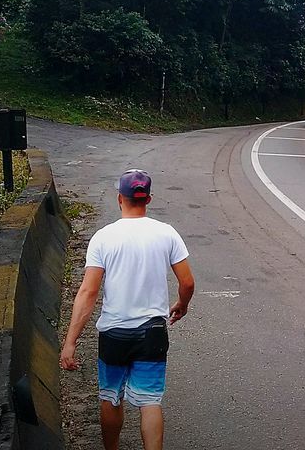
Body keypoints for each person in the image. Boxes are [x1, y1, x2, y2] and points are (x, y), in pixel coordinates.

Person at [60, 169, 195, 450]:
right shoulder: (166, 233)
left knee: (110, 397)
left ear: (119, 198)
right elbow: (187, 282)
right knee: (150, 402)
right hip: (152, 333)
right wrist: (182, 305)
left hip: (113, 333)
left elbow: (88, 292)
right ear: (149, 199)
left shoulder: (103, 238)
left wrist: (70, 342)